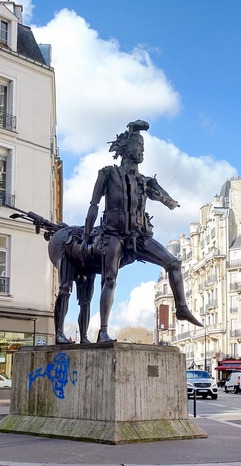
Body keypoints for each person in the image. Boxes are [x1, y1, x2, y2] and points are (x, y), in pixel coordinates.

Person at [81, 120, 202, 342]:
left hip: (139, 236)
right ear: (127, 148)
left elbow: (163, 196)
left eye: (143, 147)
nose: (142, 151)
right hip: (114, 233)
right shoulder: (108, 174)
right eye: (138, 146)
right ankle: (103, 330)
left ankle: (182, 307)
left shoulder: (144, 181)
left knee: (173, 263)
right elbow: (93, 205)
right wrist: (86, 236)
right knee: (110, 279)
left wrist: (170, 201)